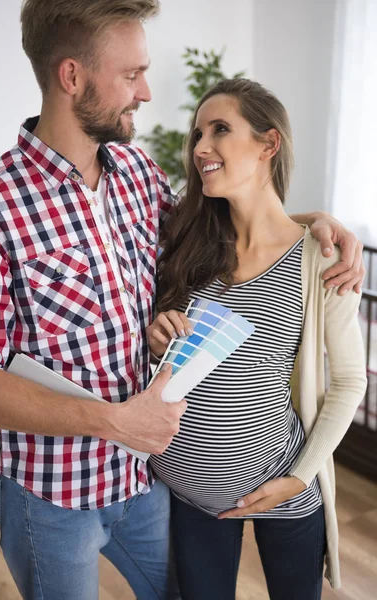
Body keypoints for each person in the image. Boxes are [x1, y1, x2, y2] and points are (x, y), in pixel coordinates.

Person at [0, 0, 364, 598]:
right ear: (72, 77)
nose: (146, 92)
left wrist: (316, 224)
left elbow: (221, 226)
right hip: (50, 497)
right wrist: (115, 421)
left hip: (145, 481)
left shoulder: (136, 174)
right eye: (131, 75)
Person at [148, 78, 367, 600]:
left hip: (285, 488)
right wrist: (159, 339)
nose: (200, 147)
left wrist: (301, 477)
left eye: (220, 129)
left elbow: (350, 381)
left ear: (269, 144)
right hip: (186, 493)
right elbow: (165, 349)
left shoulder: (321, 257)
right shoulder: (184, 238)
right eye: (198, 133)